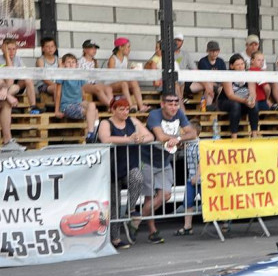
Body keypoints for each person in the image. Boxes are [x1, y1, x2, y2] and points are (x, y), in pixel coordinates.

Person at [133, 93, 197, 244]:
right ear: (162, 104)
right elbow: (160, 137)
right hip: (146, 159)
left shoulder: (179, 113)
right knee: (149, 196)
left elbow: (193, 132)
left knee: (165, 195)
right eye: (170, 104)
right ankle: (152, 231)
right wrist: (175, 138)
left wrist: (179, 139)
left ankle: (134, 222)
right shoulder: (155, 115)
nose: (174, 107)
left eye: (176, 104)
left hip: (164, 160)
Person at [97, 95, 153, 248]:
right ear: (113, 109)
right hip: (111, 168)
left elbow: (150, 136)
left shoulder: (133, 121)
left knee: (137, 177)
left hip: (129, 166)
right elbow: (105, 139)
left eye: (127, 109)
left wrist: (141, 139)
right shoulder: (105, 122)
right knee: (113, 204)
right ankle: (115, 238)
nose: (125, 112)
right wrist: (129, 139)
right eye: (121, 109)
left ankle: (130, 208)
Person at [52, 54, 100, 141]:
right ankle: (92, 134)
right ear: (63, 64)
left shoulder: (79, 75)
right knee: (92, 113)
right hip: (68, 105)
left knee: (93, 106)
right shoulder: (62, 75)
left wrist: (85, 102)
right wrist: (56, 110)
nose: (71, 64)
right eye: (68, 62)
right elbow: (58, 93)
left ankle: (92, 133)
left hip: (79, 103)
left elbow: (83, 91)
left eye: (73, 62)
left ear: (77, 64)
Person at [218, 53, 257, 138]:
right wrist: (245, 101)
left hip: (244, 101)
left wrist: (251, 100)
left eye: (242, 64)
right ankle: (234, 136)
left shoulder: (248, 74)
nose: (241, 67)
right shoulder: (227, 75)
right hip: (225, 101)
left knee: (254, 105)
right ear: (231, 66)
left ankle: (254, 134)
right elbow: (230, 95)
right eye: (238, 65)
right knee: (235, 105)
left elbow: (252, 92)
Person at [107, 37, 145, 112]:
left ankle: (141, 106)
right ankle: (130, 106)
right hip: (111, 83)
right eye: (128, 47)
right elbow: (111, 75)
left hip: (121, 81)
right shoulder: (113, 59)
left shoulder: (126, 58)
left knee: (134, 81)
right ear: (120, 47)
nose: (129, 49)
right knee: (124, 83)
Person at [0, 37, 36, 110]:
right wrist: (7, 56)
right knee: (13, 84)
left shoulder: (17, 59)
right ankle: (8, 98)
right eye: (9, 49)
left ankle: (33, 106)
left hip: (13, 85)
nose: (11, 51)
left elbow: (24, 71)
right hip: (2, 85)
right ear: (3, 49)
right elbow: (10, 72)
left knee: (28, 79)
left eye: (14, 49)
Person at [78, 39, 115, 107]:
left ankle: (111, 104)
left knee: (108, 88)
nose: (94, 50)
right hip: (84, 85)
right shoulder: (80, 62)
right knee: (98, 89)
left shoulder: (94, 61)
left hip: (94, 84)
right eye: (91, 48)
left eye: (95, 48)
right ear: (85, 50)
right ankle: (111, 106)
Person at [193, 41, 227, 107]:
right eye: (212, 51)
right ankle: (208, 108)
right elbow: (203, 78)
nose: (214, 53)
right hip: (206, 84)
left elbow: (224, 77)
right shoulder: (203, 61)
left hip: (218, 85)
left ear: (219, 51)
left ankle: (216, 107)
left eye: (216, 51)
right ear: (207, 51)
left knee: (221, 90)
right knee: (209, 89)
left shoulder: (221, 61)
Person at [34, 37, 60, 103]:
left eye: (52, 46)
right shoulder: (41, 60)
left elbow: (62, 74)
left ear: (55, 48)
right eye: (47, 46)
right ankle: (58, 109)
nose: (50, 48)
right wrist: (54, 84)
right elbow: (43, 78)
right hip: (43, 85)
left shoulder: (59, 60)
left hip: (56, 84)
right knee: (56, 88)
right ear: (43, 49)